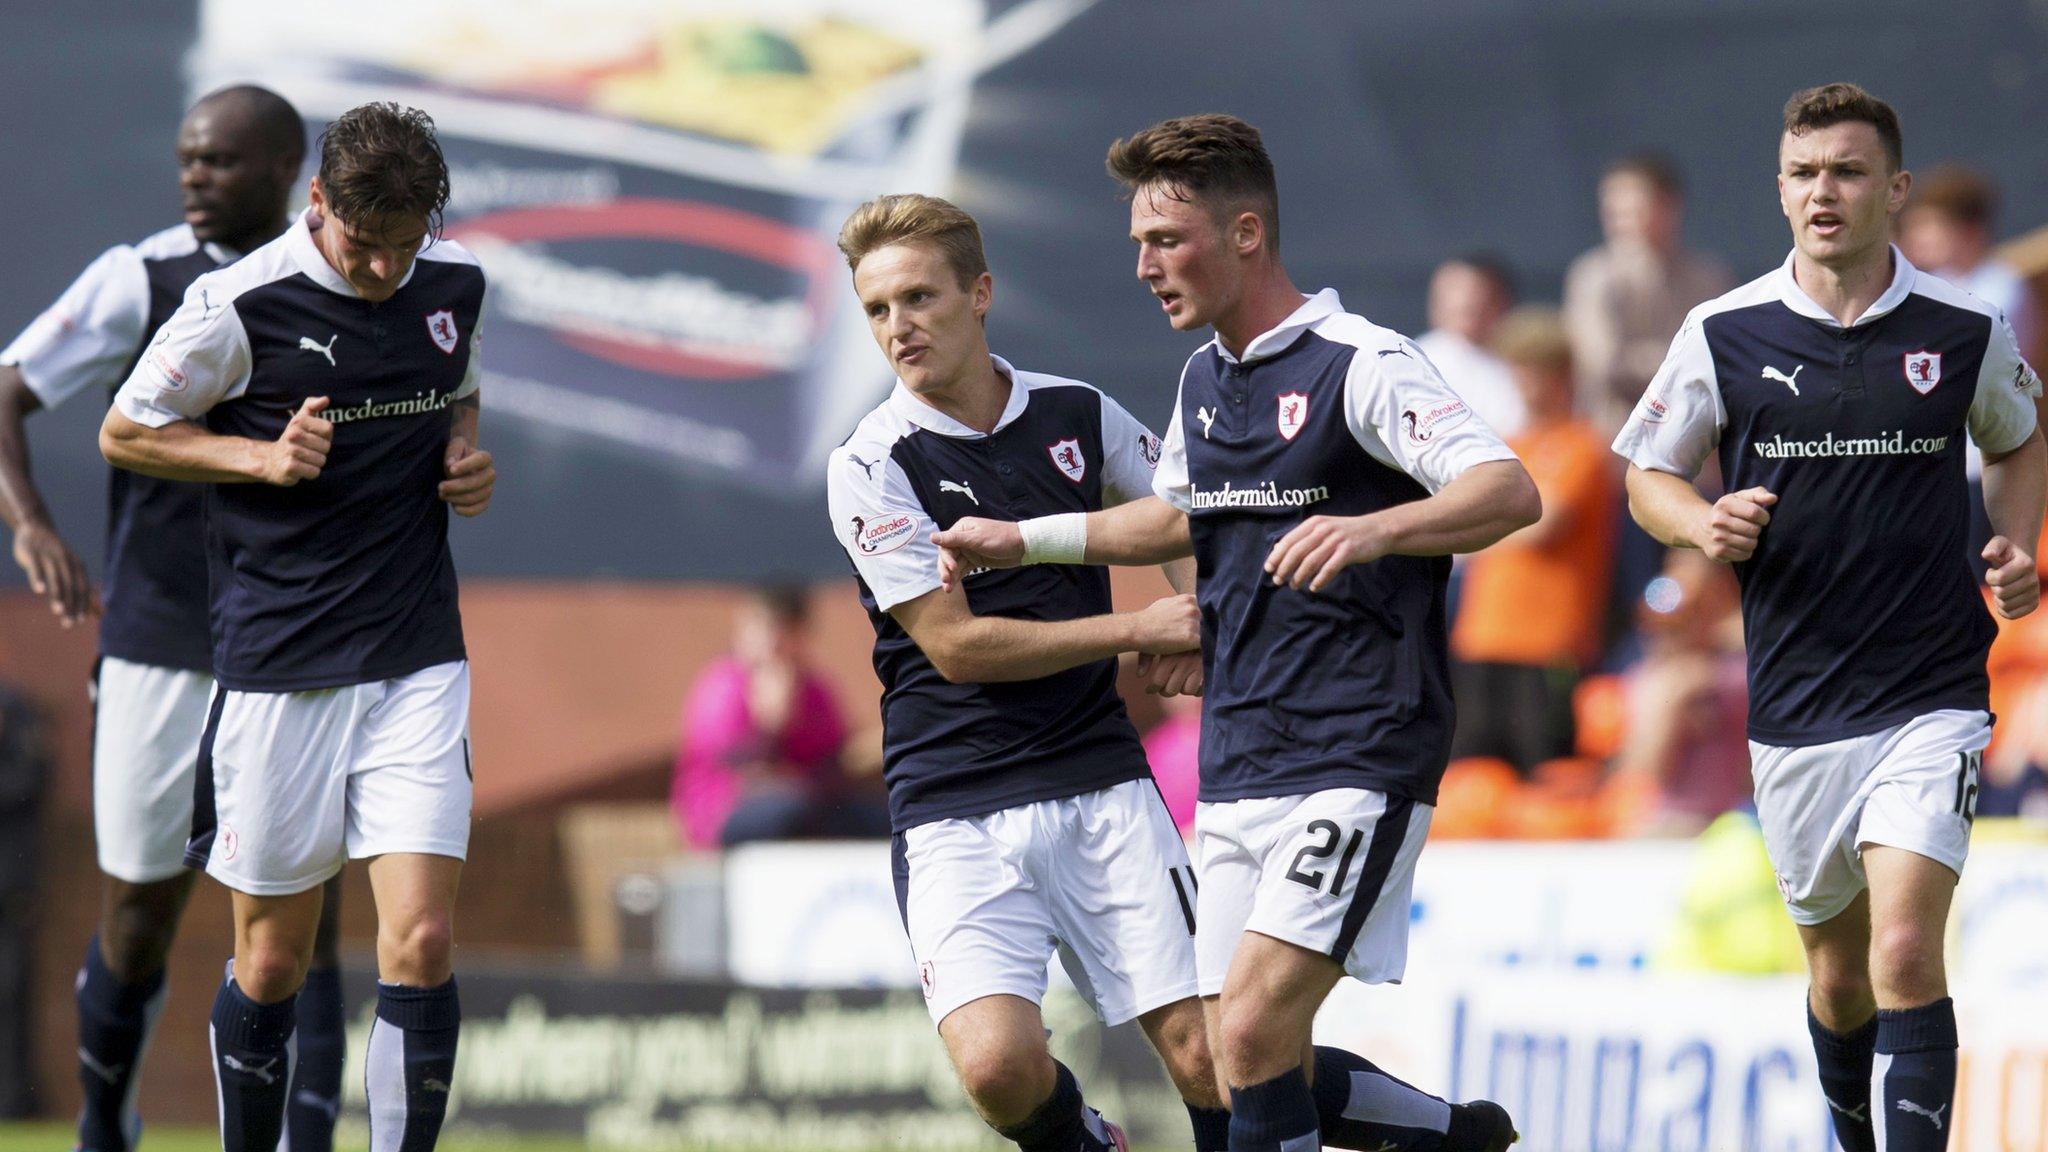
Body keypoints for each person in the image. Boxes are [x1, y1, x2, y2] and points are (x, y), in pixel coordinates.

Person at [934, 113, 1532, 1152]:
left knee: (1252, 1029)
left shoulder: (1362, 362)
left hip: (1357, 747)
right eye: (1135, 245)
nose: (1143, 267)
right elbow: (1171, 517)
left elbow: (1504, 489)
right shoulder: (1204, 379)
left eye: (1164, 241)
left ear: (1244, 234)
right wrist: (1020, 540)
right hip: (1242, 755)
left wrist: (1373, 526)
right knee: (1236, 1055)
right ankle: (1451, 1138)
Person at [1613, 83, 2044, 1152]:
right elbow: (1643, 476)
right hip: (1796, 707)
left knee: (1903, 953)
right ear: (1777, 188)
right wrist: (1701, 521)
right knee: (1838, 977)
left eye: (1846, 172)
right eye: (1803, 173)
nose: (1822, 191)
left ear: (1891, 190)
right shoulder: (1722, 329)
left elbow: (2021, 435)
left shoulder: (1959, 328)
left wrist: (2014, 539)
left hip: (1929, 691)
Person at [99, 101, 495, 1151]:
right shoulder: (235, 303)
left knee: (420, 936)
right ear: (315, 202)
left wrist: (463, 454)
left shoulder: (453, 284)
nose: (382, 271)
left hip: (415, 653)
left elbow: (457, 389)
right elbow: (127, 431)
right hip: (279, 667)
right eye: (363, 248)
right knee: (271, 962)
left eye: (403, 248)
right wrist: (256, 458)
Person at [824, 193, 1228, 1152]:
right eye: (876, 310)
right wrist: (1137, 629)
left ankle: (1430, 1127)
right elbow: (957, 648)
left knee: (1214, 1059)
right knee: (999, 1073)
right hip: (952, 798)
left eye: (918, 298)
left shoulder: (1076, 411)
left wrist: (1197, 616)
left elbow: (1186, 516)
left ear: (981, 293)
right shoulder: (871, 461)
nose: (897, 328)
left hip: (1100, 777)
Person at [0, 86, 352, 1152]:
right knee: (141, 916)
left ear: (288, 166)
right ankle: (105, 1120)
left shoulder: (339, 284)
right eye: (188, 159)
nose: (194, 176)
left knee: (308, 921)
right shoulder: (138, 277)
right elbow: (6, 387)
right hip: (159, 640)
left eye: (221, 161)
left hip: (295, 642)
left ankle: (309, 1138)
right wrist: (31, 526)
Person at [1448, 308, 1615, 774]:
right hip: (1482, 638)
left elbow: (1541, 523)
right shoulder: (1507, 445)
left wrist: (1459, 543)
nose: (1521, 383)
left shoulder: (1582, 446)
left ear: (1560, 374)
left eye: (1531, 370)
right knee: (1473, 776)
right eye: (1515, 370)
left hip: (1550, 643)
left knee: (1547, 777)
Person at [671, 584, 887, 847]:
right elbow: (736, 766)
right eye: (760, 630)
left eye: (782, 632)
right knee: (788, 810)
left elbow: (834, 758)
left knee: (883, 815)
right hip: (725, 812)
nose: (770, 643)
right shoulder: (723, 685)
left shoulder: (814, 687)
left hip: (810, 801)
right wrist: (771, 725)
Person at [1564, 151, 1734, 433]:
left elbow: (1724, 358)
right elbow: (1604, 363)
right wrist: (1683, 362)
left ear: (1670, 207)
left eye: (1635, 211)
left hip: (1697, 437)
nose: (1623, 222)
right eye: (1614, 212)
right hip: (1614, 438)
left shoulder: (1709, 276)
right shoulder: (1592, 276)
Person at [1415, 254, 1524, 437]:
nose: (1465, 299)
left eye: (1479, 293)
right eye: (1454, 289)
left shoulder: (1523, 359)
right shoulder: (1419, 359)